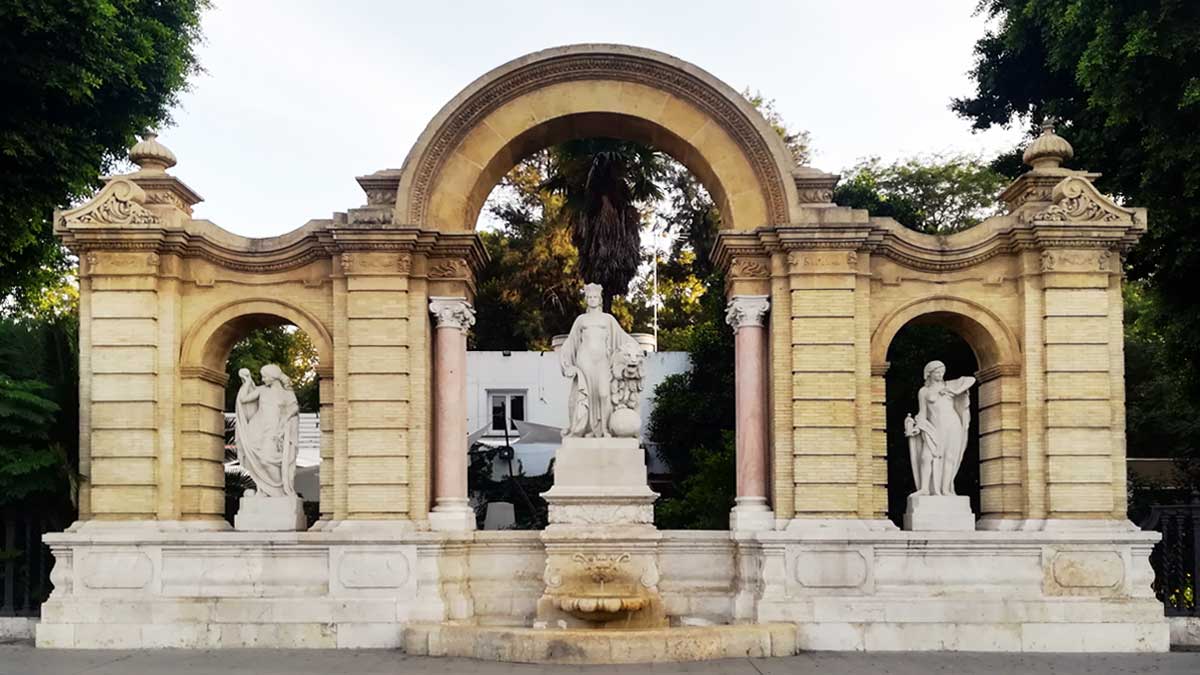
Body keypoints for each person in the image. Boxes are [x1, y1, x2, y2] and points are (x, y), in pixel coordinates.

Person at [559, 283, 640, 438]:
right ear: (586, 300)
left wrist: (636, 349)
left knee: (603, 393)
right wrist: (567, 364)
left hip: (602, 360)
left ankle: (604, 429)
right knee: (586, 394)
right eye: (589, 297)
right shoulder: (581, 320)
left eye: (595, 297)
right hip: (585, 360)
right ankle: (588, 429)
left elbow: (621, 336)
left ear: (600, 299)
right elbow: (571, 342)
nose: (592, 300)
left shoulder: (608, 319)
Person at [905, 360, 975, 496]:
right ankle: (924, 488)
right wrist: (917, 427)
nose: (940, 375)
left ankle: (945, 489)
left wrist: (954, 391)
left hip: (953, 424)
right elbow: (923, 413)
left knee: (950, 456)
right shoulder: (924, 391)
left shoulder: (949, 385)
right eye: (937, 372)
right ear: (929, 374)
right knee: (926, 456)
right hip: (935, 427)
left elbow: (970, 379)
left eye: (942, 372)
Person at [234, 363, 301, 497]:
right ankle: (264, 490)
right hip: (257, 429)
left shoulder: (287, 394)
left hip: (274, 431)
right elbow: (243, 399)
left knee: (267, 460)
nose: (263, 379)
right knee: (255, 459)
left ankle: (277, 491)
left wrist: (283, 427)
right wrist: (247, 382)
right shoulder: (261, 390)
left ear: (272, 377)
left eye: (264, 377)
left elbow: (294, 410)